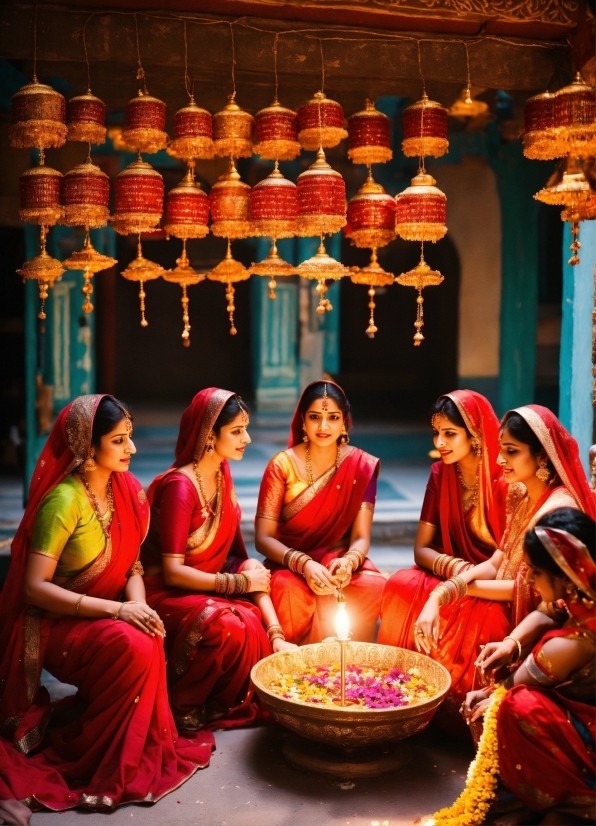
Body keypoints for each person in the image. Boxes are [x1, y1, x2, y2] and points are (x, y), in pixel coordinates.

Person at [0, 395, 213, 821]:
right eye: (120, 441)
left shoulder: (127, 491)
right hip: (55, 624)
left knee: (147, 635)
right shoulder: (63, 501)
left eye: (130, 438)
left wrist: (137, 605)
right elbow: (35, 589)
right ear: (87, 448)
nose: (132, 449)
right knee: (131, 645)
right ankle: (90, 754)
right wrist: (118, 612)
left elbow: (132, 562)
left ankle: (125, 751)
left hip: (104, 612)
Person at [412, 405, 595, 728]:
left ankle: (449, 714)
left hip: (539, 614)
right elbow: (499, 560)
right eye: (501, 450)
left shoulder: (557, 509)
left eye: (511, 452)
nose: (499, 461)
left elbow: (529, 589)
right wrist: (444, 592)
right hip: (527, 603)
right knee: (417, 589)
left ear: (542, 456)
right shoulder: (520, 493)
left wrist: (448, 593)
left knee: (471, 616)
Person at [142, 388, 290, 732]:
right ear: (211, 435)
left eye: (246, 429)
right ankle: (183, 702)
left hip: (204, 578)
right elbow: (173, 572)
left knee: (257, 574)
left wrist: (272, 626)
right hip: (165, 590)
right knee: (228, 625)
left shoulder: (221, 472)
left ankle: (269, 646)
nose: (247, 439)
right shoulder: (181, 487)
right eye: (237, 431)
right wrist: (238, 583)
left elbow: (233, 554)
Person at [463, 508, 595, 825]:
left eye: (535, 572)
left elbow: (508, 692)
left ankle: (572, 802)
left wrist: (486, 697)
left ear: (566, 575)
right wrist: (512, 643)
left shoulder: (571, 645)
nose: (531, 581)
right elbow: (547, 610)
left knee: (513, 708)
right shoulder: (585, 593)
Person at [254, 380, 384, 645]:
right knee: (287, 592)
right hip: (290, 564)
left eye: (333, 418)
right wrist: (305, 564)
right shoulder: (282, 465)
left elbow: (361, 537)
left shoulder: (361, 466)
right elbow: (263, 539)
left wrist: (348, 562)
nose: (324, 427)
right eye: (315, 417)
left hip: (338, 562)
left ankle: (350, 663)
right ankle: (297, 667)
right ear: (303, 421)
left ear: (344, 422)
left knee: (376, 587)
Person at [378, 390, 505, 650]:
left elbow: (504, 563)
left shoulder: (503, 482)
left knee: (489, 615)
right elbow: (421, 550)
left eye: (449, 434)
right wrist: (459, 571)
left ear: (475, 435)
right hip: (452, 573)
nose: (439, 443)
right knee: (399, 586)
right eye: (436, 433)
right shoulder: (440, 474)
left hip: (491, 581)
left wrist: (462, 582)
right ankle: (401, 675)